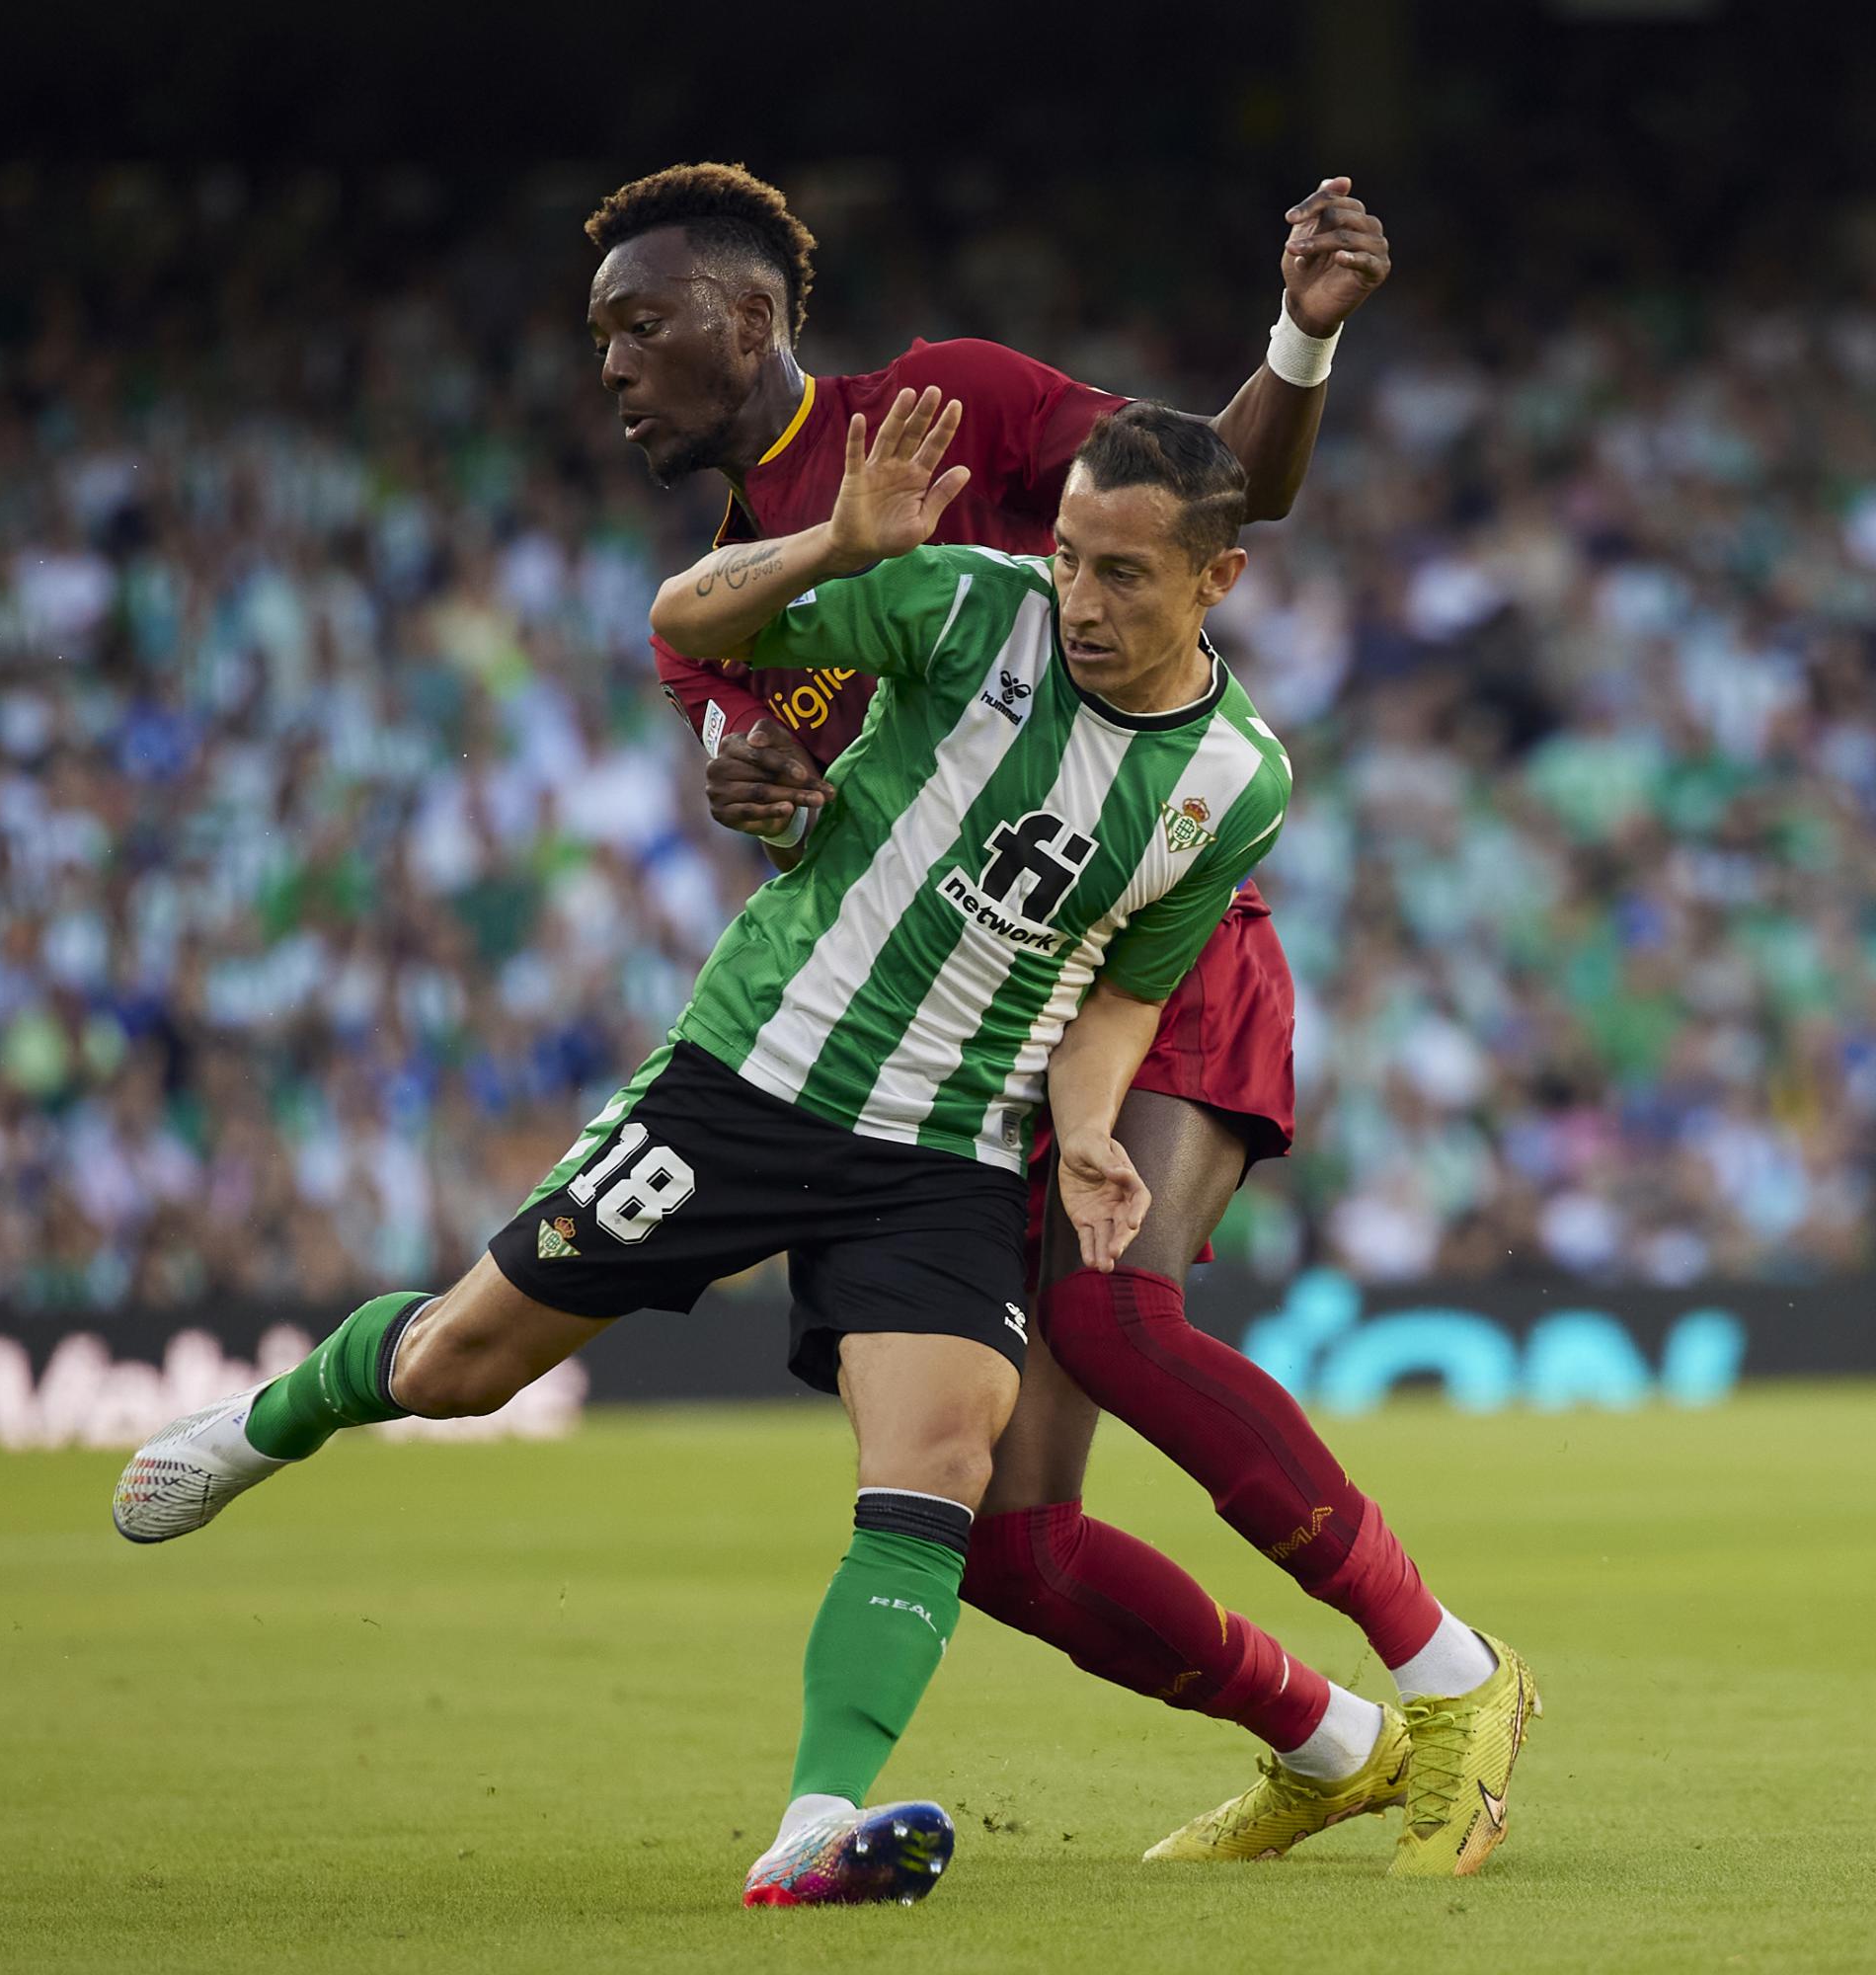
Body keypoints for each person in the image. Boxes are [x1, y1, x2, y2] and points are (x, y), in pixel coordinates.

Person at [113, 392, 1303, 1905]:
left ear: (1219, 582)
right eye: (1069, 555)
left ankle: (813, 1826)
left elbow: (1126, 984)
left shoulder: (1237, 783)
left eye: (1123, 573)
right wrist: (831, 546)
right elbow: (686, 618)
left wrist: (1081, 1138)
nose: (1080, 597)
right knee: (456, 1368)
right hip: (752, 1079)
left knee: (941, 1460)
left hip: (945, 1145)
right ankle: (265, 1423)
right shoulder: (967, 605)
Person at [587, 162, 1537, 1877]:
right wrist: (769, 798)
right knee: (1008, 1542)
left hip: (1152, 955)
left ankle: (1456, 1675)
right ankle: (1330, 1744)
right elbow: (826, 817)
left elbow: (1211, 496)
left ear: (747, 318)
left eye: (638, 327)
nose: (612, 368)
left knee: (1109, 1320)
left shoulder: (950, 407)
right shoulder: (739, 593)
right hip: (969, 1033)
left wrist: (1300, 344)